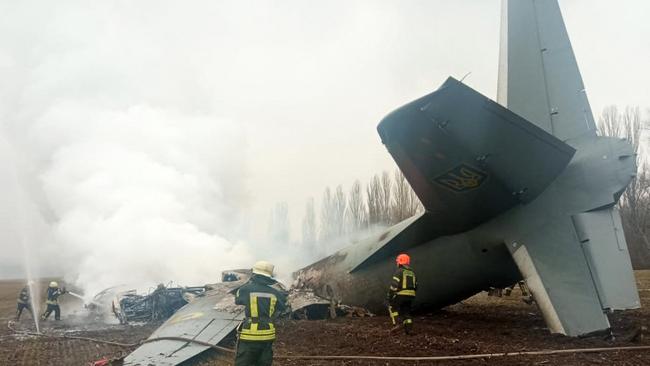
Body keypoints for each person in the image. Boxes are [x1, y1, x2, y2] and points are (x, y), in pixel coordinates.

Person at [234, 261, 287, 366]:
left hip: (249, 335)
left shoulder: (245, 289)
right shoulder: (276, 293)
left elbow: (237, 300)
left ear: (254, 274)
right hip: (268, 335)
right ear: (269, 277)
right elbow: (283, 307)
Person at [387, 253, 417, 334]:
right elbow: (416, 285)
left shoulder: (399, 272)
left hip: (401, 295)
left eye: (398, 261)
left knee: (392, 307)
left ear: (400, 262)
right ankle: (409, 330)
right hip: (411, 296)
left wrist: (390, 295)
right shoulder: (412, 273)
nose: (397, 263)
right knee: (406, 312)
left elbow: (394, 285)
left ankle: (396, 324)